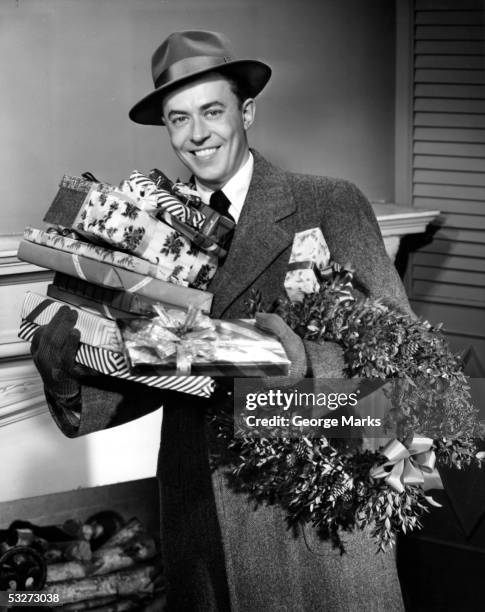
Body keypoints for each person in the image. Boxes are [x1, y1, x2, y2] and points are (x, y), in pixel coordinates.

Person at [32, 30, 412, 611]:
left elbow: (408, 379)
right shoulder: (145, 235)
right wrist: (67, 373)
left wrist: (300, 366)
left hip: (311, 537)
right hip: (201, 527)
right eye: (178, 118)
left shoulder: (329, 204)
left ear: (248, 111)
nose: (197, 134)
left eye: (212, 111)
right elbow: (145, 374)